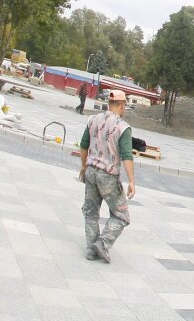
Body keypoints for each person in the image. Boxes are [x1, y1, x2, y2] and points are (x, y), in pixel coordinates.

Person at [78, 89, 135, 263]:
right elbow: (126, 155)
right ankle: (103, 243)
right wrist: (131, 180)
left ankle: (91, 249)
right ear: (122, 105)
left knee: (90, 211)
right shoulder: (122, 127)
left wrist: (83, 166)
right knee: (121, 215)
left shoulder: (93, 119)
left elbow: (83, 145)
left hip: (91, 171)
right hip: (108, 176)